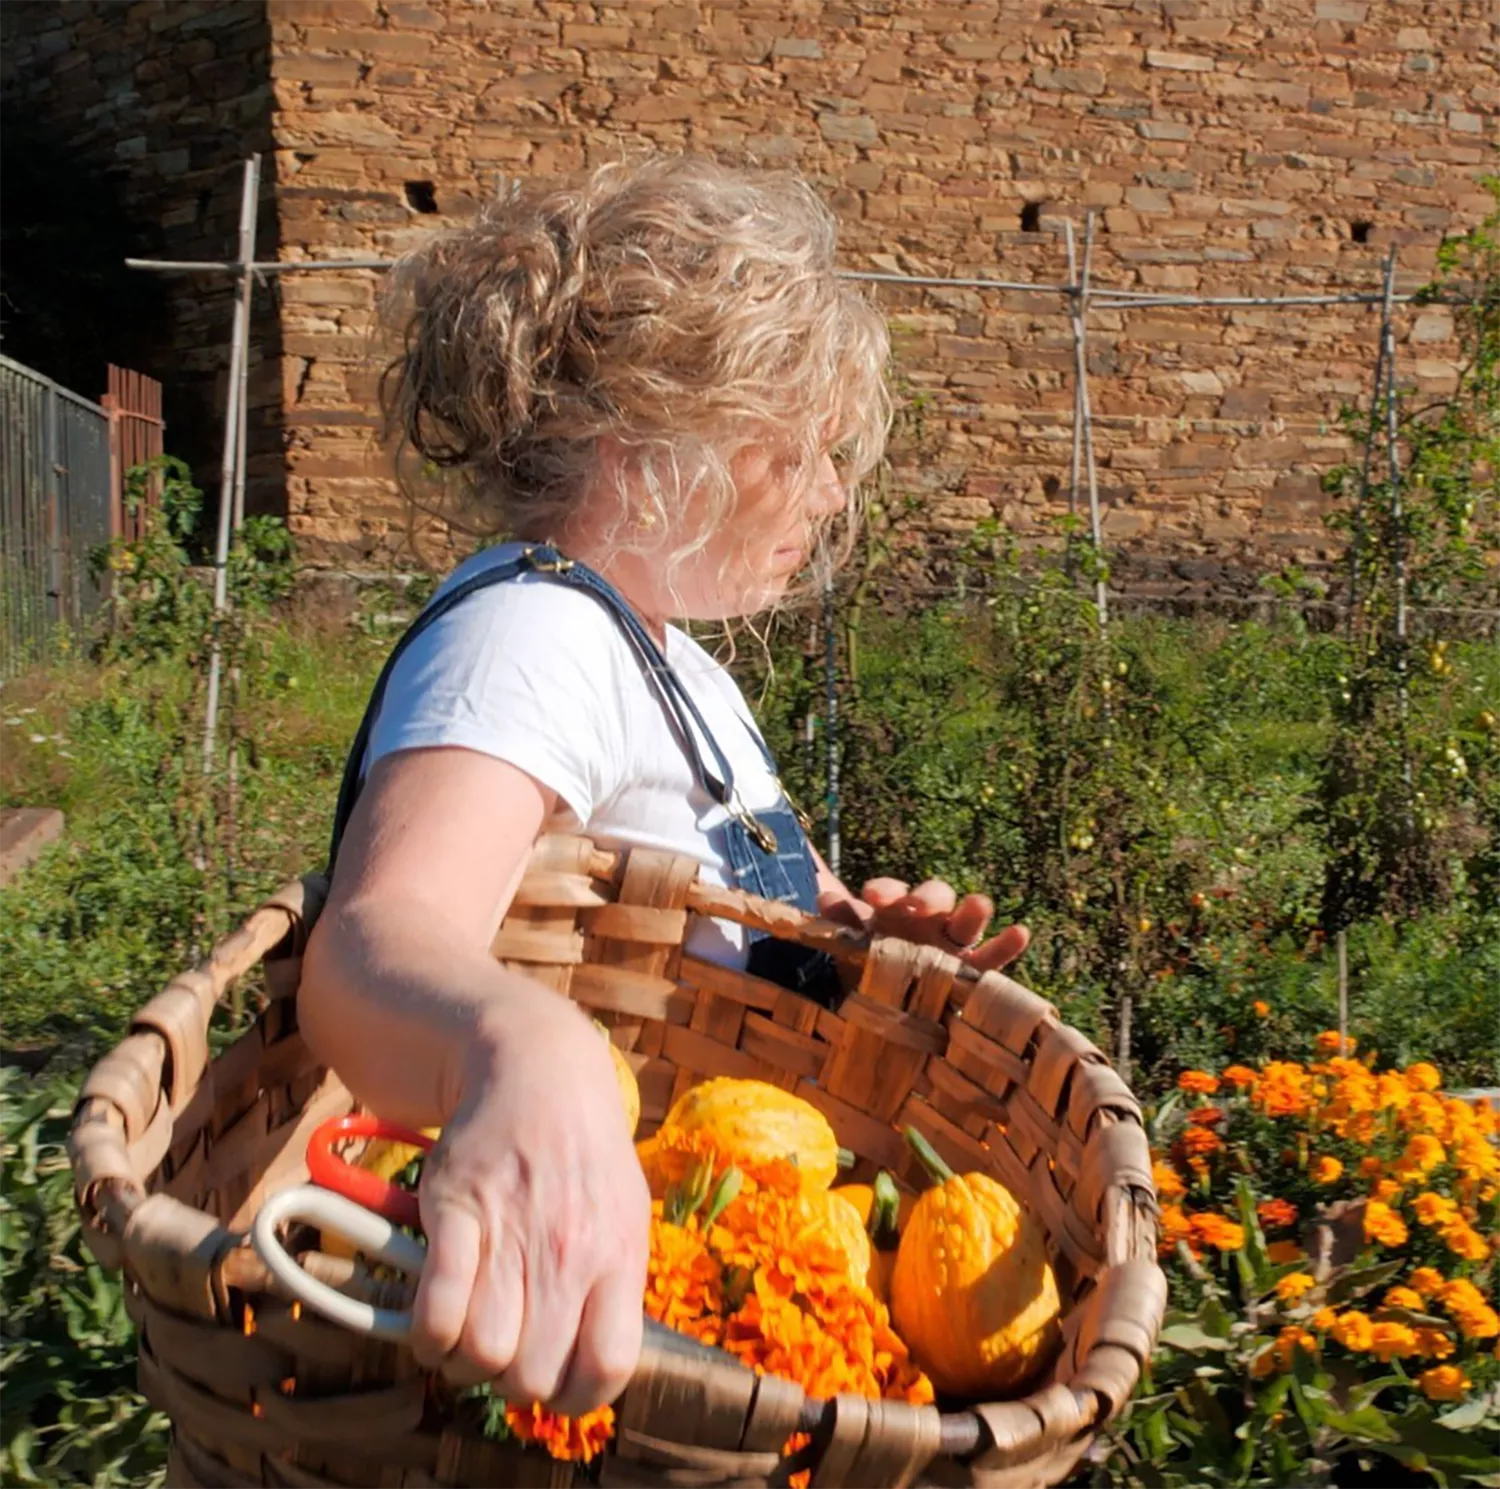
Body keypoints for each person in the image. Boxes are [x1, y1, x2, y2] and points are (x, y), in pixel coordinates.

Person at [298, 153, 1030, 1424]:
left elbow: (711, 927)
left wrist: (850, 948)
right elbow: (372, 946)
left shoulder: (668, 657)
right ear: (661, 443)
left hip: (734, 1286)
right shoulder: (530, 635)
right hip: (595, 1330)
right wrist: (525, 1056)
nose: (832, 490)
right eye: (798, 448)